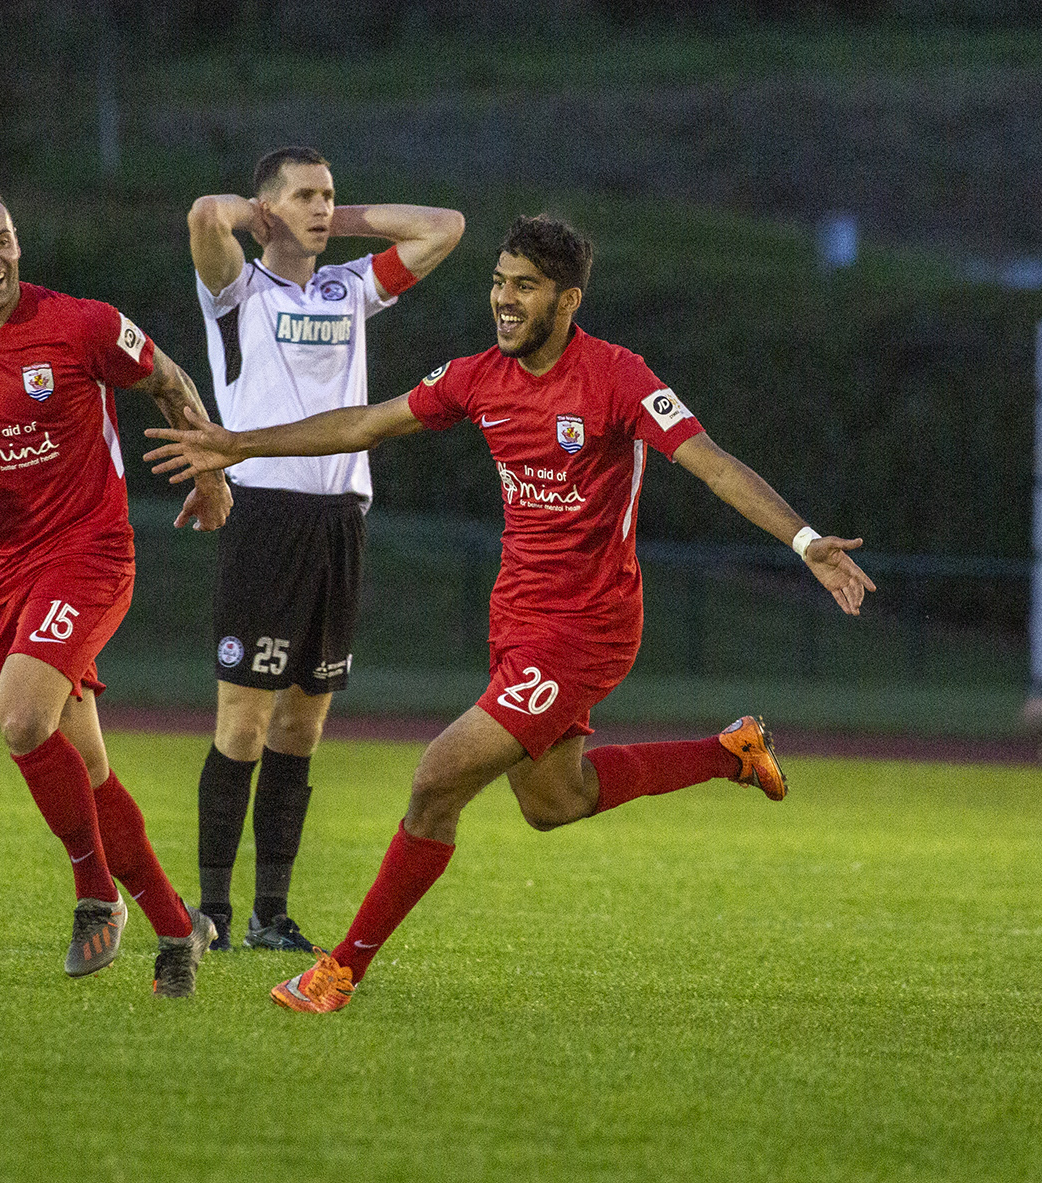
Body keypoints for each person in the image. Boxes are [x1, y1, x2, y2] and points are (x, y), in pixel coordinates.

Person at [146, 214, 876, 1013]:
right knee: (555, 802)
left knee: (435, 782)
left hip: (588, 627)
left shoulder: (618, 376)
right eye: (497, 282)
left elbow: (713, 467)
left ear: (568, 300)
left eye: (523, 287)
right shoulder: (478, 376)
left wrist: (804, 539)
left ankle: (339, 971)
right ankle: (731, 751)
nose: (502, 299)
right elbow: (366, 422)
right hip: (518, 619)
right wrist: (243, 443)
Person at [0, 180, 230, 997]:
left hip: (88, 553)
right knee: (89, 768)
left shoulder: (82, 325)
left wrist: (210, 466)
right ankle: (181, 927)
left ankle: (94, 893)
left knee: (21, 715)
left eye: (0, 239)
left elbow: (168, 376)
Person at [185, 147, 464, 954]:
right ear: (268, 206)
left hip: (342, 518)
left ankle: (273, 911)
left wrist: (334, 222)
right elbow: (206, 214)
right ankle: (212, 907)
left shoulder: (349, 288)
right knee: (242, 720)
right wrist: (261, 214)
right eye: (305, 194)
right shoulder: (238, 290)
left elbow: (445, 229)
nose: (321, 206)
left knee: (302, 727)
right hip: (266, 514)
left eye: (329, 193)